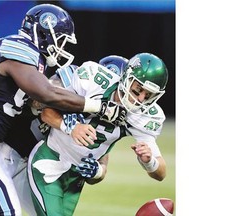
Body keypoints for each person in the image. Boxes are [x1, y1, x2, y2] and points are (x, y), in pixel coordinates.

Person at [0, 3, 127, 216]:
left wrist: (97, 171)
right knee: (6, 211)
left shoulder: (113, 116)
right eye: (62, 40)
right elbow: (46, 96)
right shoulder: (20, 48)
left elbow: (102, 160)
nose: (63, 47)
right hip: (5, 152)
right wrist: (82, 114)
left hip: (30, 164)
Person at [27, 52, 169, 216]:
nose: (140, 99)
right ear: (126, 78)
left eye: (148, 95)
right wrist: (70, 127)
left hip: (75, 180)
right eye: (138, 90)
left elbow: (161, 173)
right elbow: (45, 110)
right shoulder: (93, 82)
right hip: (49, 160)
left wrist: (149, 161)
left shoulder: (144, 116)